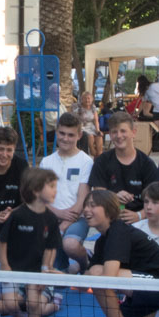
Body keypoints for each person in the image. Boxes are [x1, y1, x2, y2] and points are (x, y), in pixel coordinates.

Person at [82, 189, 159, 317]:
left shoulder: (118, 231)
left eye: (92, 205)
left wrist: (89, 279)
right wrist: (59, 277)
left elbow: (107, 279)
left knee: (98, 274)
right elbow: (86, 281)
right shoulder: (101, 242)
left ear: (108, 210)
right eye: (85, 206)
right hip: (138, 291)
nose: (86, 210)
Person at [65, 112, 156, 269]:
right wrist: (114, 197)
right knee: (97, 271)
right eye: (114, 132)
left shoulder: (146, 164)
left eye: (123, 131)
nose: (118, 136)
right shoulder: (102, 161)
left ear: (133, 132)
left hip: (141, 223)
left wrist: (139, 215)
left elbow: (157, 201)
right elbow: (99, 196)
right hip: (111, 222)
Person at [0, 167, 62, 317]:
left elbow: (51, 247)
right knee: (10, 303)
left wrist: (46, 270)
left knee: (35, 304)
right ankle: (18, 316)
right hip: (14, 270)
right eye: (51, 186)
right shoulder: (17, 215)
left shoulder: (51, 219)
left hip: (36, 271)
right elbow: (2, 240)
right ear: (36, 190)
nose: (55, 190)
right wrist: (4, 265)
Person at [40, 114, 94, 266]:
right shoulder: (46, 161)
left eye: (71, 135)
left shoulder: (86, 162)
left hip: (77, 219)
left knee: (69, 244)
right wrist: (57, 214)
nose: (65, 138)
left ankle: (85, 264)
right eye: (62, 133)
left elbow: (83, 198)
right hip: (51, 217)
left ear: (79, 135)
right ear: (56, 132)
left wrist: (62, 226)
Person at [77, 90, 103, 155]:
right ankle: (92, 150)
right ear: (82, 99)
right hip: (83, 126)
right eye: (85, 98)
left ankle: (99, 156)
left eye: (89, 98)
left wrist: (98, 130)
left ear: (92, 99)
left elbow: (96, 120)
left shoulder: (93, 108)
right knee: (90, 136)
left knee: (99, 136)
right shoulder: (79, 109)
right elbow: (77, 121)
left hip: (92, 126)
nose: (87, 100)